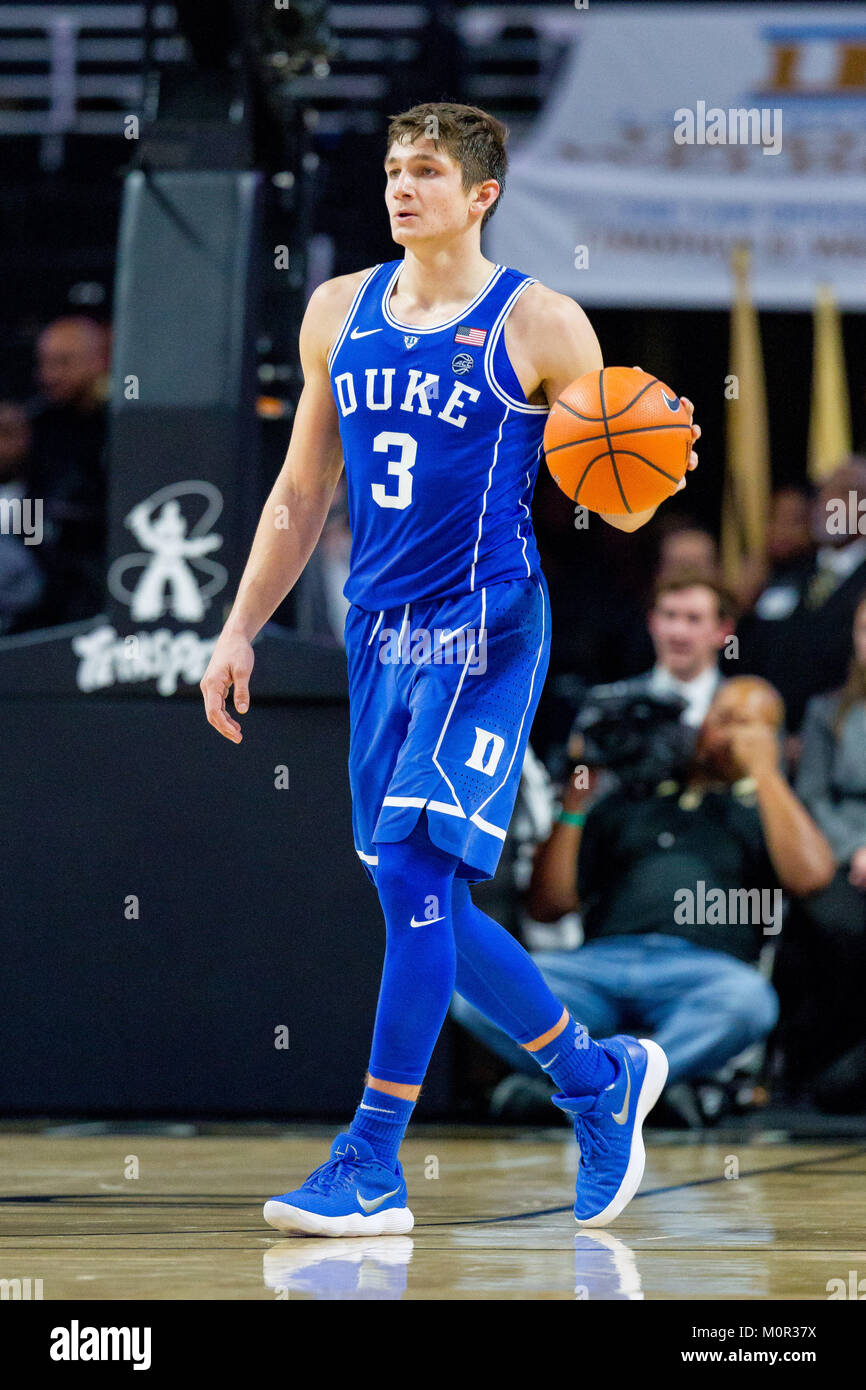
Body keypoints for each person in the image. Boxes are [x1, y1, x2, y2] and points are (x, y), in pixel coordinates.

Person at [200, 102, 700, 1234]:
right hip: (376, 633)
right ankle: (594, 1080)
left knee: (416, 877)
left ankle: (370, 1160)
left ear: (480, 193)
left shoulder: (539, 321)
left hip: (483, 627)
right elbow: (298, 495)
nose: (400, 186)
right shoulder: (337, 311)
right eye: (389, 168)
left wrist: (655, 461)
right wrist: (236, 629)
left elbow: (610, 490)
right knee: (410, 888)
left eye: (424, 170)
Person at [454, 677, 834, 1102]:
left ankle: (600, 1088)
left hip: (701, 976)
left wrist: (765, 770)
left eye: (746, 724)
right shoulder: (629, 803)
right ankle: (634, 1087)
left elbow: (813, 878)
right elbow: (548, 906)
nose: (728, 733)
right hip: (598, 969)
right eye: (721, 717)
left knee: (751, 1001)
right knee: (473, 989)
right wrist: (577, 800)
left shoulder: (760, 813)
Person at [777, 593, 866, 1111]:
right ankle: (826, 1066)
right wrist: (855, 848)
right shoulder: (826, 711)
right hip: (838, 857)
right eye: (861, 629)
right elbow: (809, 796)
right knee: (836, 924)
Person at [737, 460, 866, 732]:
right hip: (768, 730)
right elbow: (742, 647)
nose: (828, 502)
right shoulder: (785, 571)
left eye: (846, 493)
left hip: (840, 735)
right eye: (823, 492)